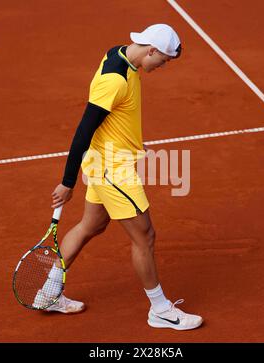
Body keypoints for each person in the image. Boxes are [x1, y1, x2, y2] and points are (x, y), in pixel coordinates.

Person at [37, 24, 203, 330]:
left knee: (92, 225)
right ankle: (160, 309)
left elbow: (115, 116)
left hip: (106, 161)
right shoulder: (115, 80)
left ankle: (48, 292)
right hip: (114, 170)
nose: (161, 67)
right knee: (145, 236)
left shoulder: (119, 54)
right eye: (163, 61)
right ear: (151, 50)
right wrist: (67, 182)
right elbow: (83, 130)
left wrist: (132, 140)